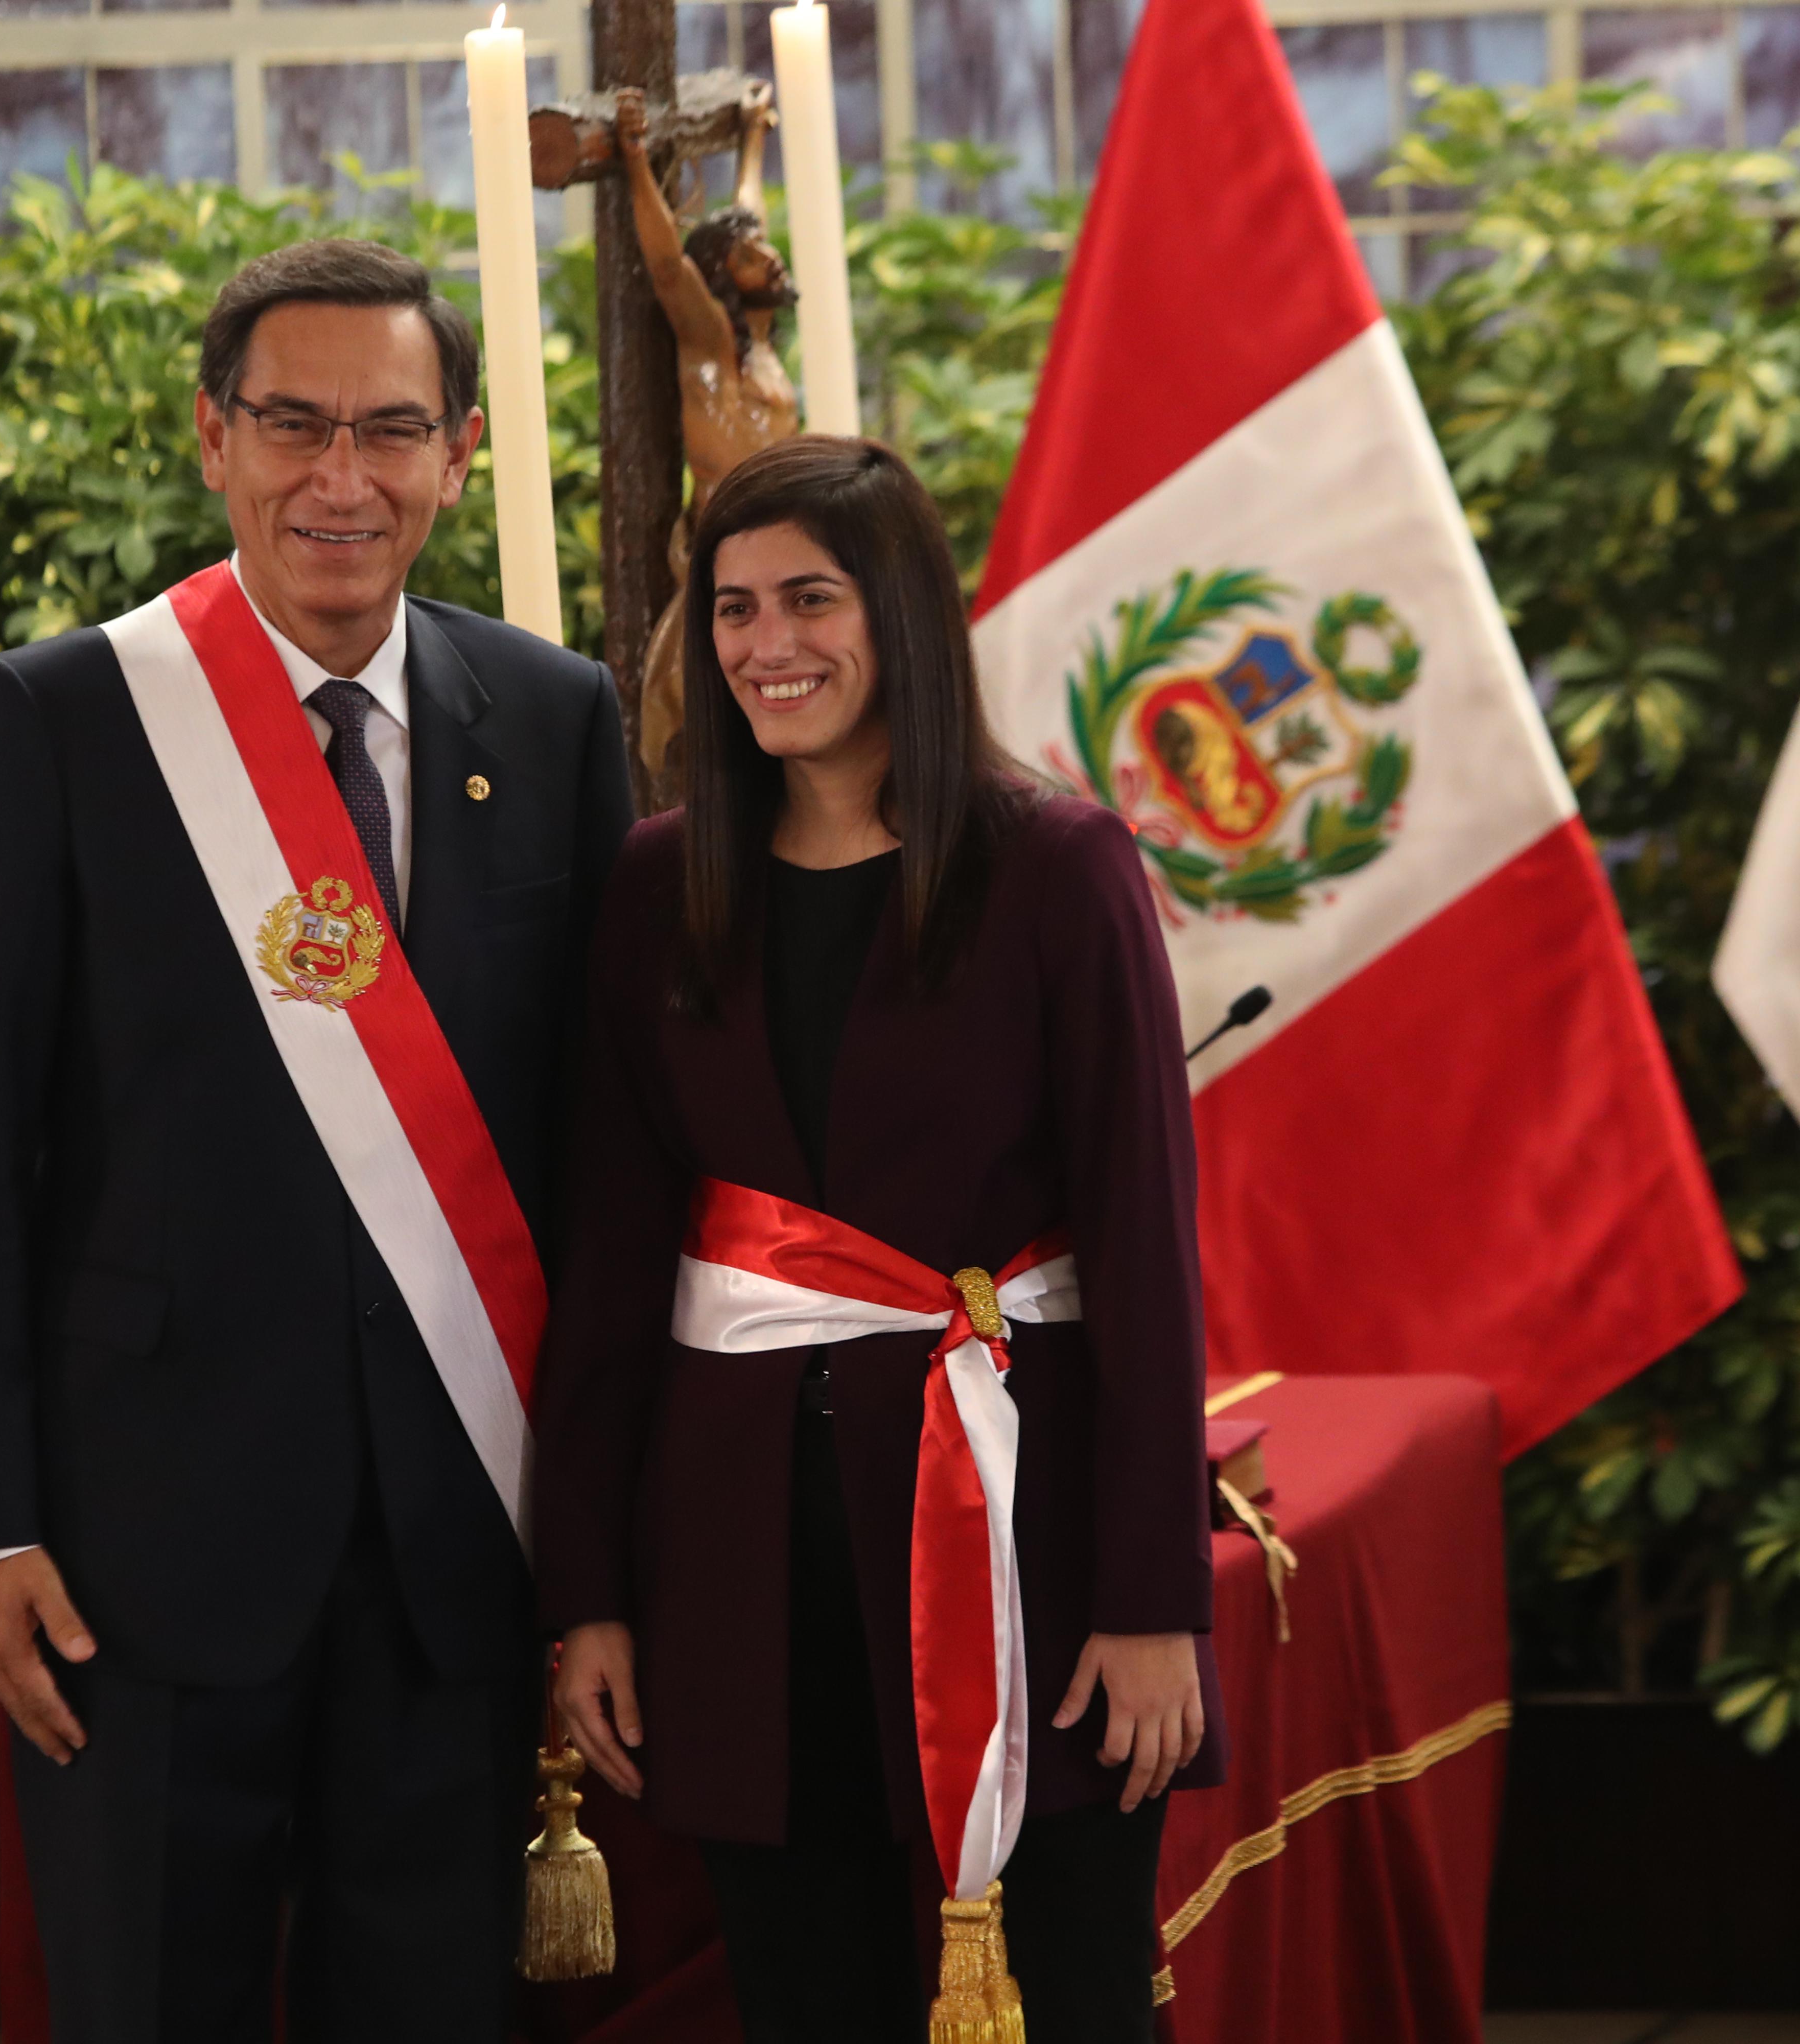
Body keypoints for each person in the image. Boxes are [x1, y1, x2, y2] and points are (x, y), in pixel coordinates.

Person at [0, 239, 634, 2043]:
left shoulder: (553, 720)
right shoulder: (63, 716)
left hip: (463, 1541)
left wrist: (605, 1538)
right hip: (141, 1551)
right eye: (293, 425)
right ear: (213, 440)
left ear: (461, 454)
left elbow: (605, 1153)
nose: (341, 478)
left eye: (390, 430)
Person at [534, 436, 1224, 2044]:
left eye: (811, 601)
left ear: (901, 611)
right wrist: (590, 1593)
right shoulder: (658, 890)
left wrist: (1154, 1596)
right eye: (731, 610)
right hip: (739, 1540)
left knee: (1070, 1986)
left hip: (1026, 1530)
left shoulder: (1058, 870)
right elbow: (617, 1261)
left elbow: (1143, 1250)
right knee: (802, 1994)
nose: (768, 646)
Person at [610, 79, 805, 787]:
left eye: (766, 251)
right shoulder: (710, 346)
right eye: (752, 257)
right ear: (722, 274)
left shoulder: (765, 351)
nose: (770, 258)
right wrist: (633, 157)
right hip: (724, 563)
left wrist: (752, 137)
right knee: (708, 736)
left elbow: (746, 215)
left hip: (793, 552)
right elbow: (667, 265)